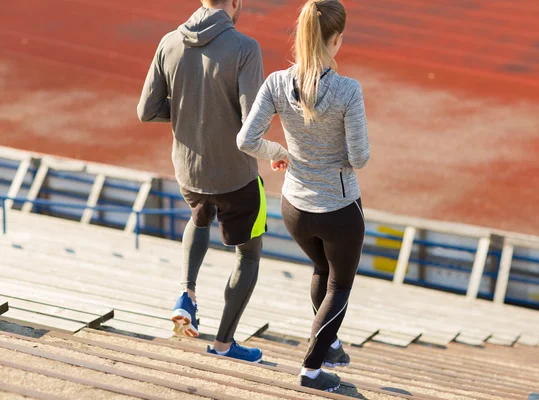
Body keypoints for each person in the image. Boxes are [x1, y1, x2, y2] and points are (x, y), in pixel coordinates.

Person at [237, 0, 369, 391]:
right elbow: (360, 157)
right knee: (339, 286)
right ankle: (311, 369)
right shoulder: (348, 90)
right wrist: (333, 159)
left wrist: (280, 153)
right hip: (340, 209)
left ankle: (328, 345)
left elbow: (246, 139)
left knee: (321, 271)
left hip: (294, 207)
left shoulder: (277, 82)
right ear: (337, 39)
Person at [137, 0, 266, 363]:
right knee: (249, 255)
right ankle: (224, 343)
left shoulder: (168, 42)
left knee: (200, 215)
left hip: (189, 172)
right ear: (236, 3)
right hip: (236, 177)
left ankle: (186, 294)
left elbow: (146, 110)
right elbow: (251, 121)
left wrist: (186, 112)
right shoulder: (245, 48)